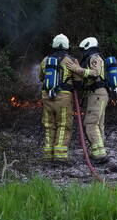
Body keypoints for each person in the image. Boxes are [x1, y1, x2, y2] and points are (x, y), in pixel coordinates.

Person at [39, 34, 93, 162]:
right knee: (63, 125)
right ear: (67, 46)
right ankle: (60, 155)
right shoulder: (71, 61)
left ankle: (47, 154)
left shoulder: (45, 60)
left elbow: (41, 78)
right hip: (63, 97)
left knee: (48, 125)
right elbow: (78, 81)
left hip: (47, 96)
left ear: (53, 45)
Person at [78, 36, 110, 164]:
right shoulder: (95, 57)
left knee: (91, 124)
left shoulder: (94, 57)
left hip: (96, 94)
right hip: (100, 94)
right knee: (98, 125)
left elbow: (95, 73)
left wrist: (78, 70)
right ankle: (98, 152)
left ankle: (99, 155)